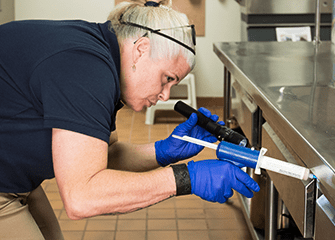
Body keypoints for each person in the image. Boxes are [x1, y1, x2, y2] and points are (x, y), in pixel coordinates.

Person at [0, 0, 260, 239]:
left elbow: (104, 156)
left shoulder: (102, 57)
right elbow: (81, 197)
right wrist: (186, 178)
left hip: (19, 181)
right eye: (167, 79)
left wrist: (164, 151)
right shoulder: (87, 69)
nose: (165, 95)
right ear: (141, 49)